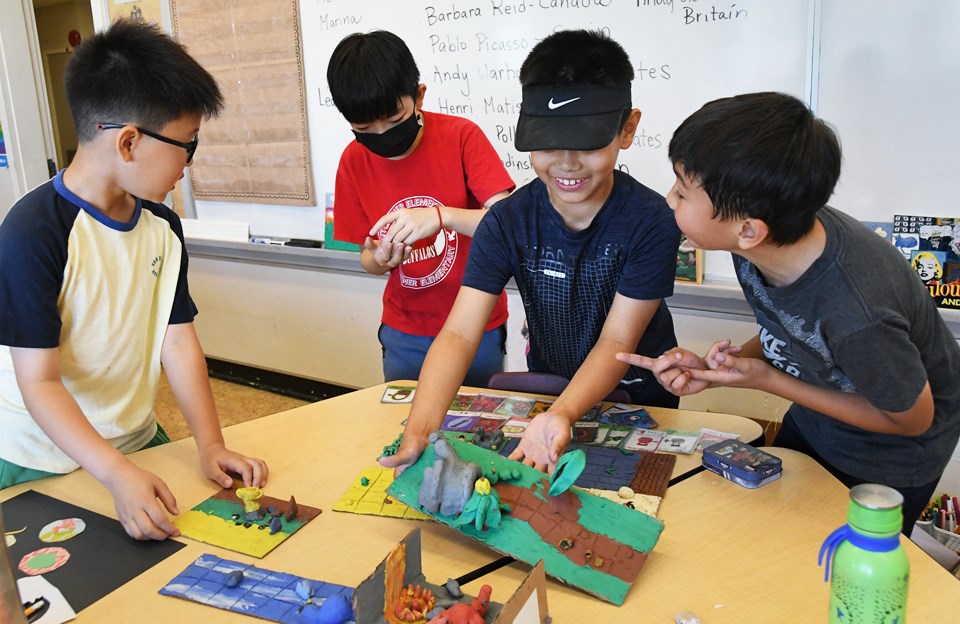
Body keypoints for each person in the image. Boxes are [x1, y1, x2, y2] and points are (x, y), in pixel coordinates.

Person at [619, 92, 960, 533]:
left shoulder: (858, 312)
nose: (669, 200)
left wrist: (770, 380)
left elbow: (913, 418)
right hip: (818, 420)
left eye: (682, 192)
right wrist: (730, 363)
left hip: (887, 456)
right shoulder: (766, 241)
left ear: (747, 229)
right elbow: (799, 327)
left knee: (830, 569)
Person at [0, 20, 268, 540]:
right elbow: (39, 381)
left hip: (134, 442)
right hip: (38, 455)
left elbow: (177, 338)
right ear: (127, 143)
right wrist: (115, 474)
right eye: (186, 145)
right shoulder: (32, 232)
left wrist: (210, 445)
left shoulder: (162, 227)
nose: (188, 164)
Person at [381, 29, 681, 475]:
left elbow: (618, 341)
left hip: (639, 397)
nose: (566, 164)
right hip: (549, 393)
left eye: (588, 144)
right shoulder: (507, 221)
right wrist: (420, 430)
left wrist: (563, 412)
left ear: (628, 129)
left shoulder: (652, 221)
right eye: (547, 143)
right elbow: (460, 334)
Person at [326, 31, 515, 386]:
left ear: (419, 96)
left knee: (477, 425)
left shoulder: (461, 137)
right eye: (364, 128)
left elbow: (507, 223)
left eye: (395, 120)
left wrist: (441, 216)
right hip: (405, 331)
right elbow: (366, 259)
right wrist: (380, 259)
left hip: (478, 324)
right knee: (406, 429)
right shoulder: (353, 161)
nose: (382, 135)